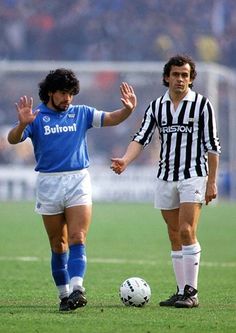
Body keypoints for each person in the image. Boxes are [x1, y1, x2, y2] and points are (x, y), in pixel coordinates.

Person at [7, 68, 137, 312]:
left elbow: (111, 118)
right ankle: (65, 295)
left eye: (71, 94)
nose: (68, 98)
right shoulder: (35, 118)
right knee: (58, 244)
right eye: (63, 93)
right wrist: (21, 125)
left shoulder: (82, 113)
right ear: (50, 93)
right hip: (48, 183)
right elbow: (13, 139)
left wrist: (128, 110)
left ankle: (78, 289)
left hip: (78, 180)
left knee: (78, 237)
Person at [111, 54, 221, 308]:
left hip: (193, 175)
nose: (180, 79)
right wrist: (126, 161)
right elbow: (141, 138)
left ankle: (192, 293)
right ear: (166, 77)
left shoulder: (202, 105)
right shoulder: (156, 106)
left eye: (185, 75)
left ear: (191, 79)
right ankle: (181, 290)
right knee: (173, 235)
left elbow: (213, 147)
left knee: (186, 231)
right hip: (165, 176)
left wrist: (212, 181)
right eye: (176, 74)